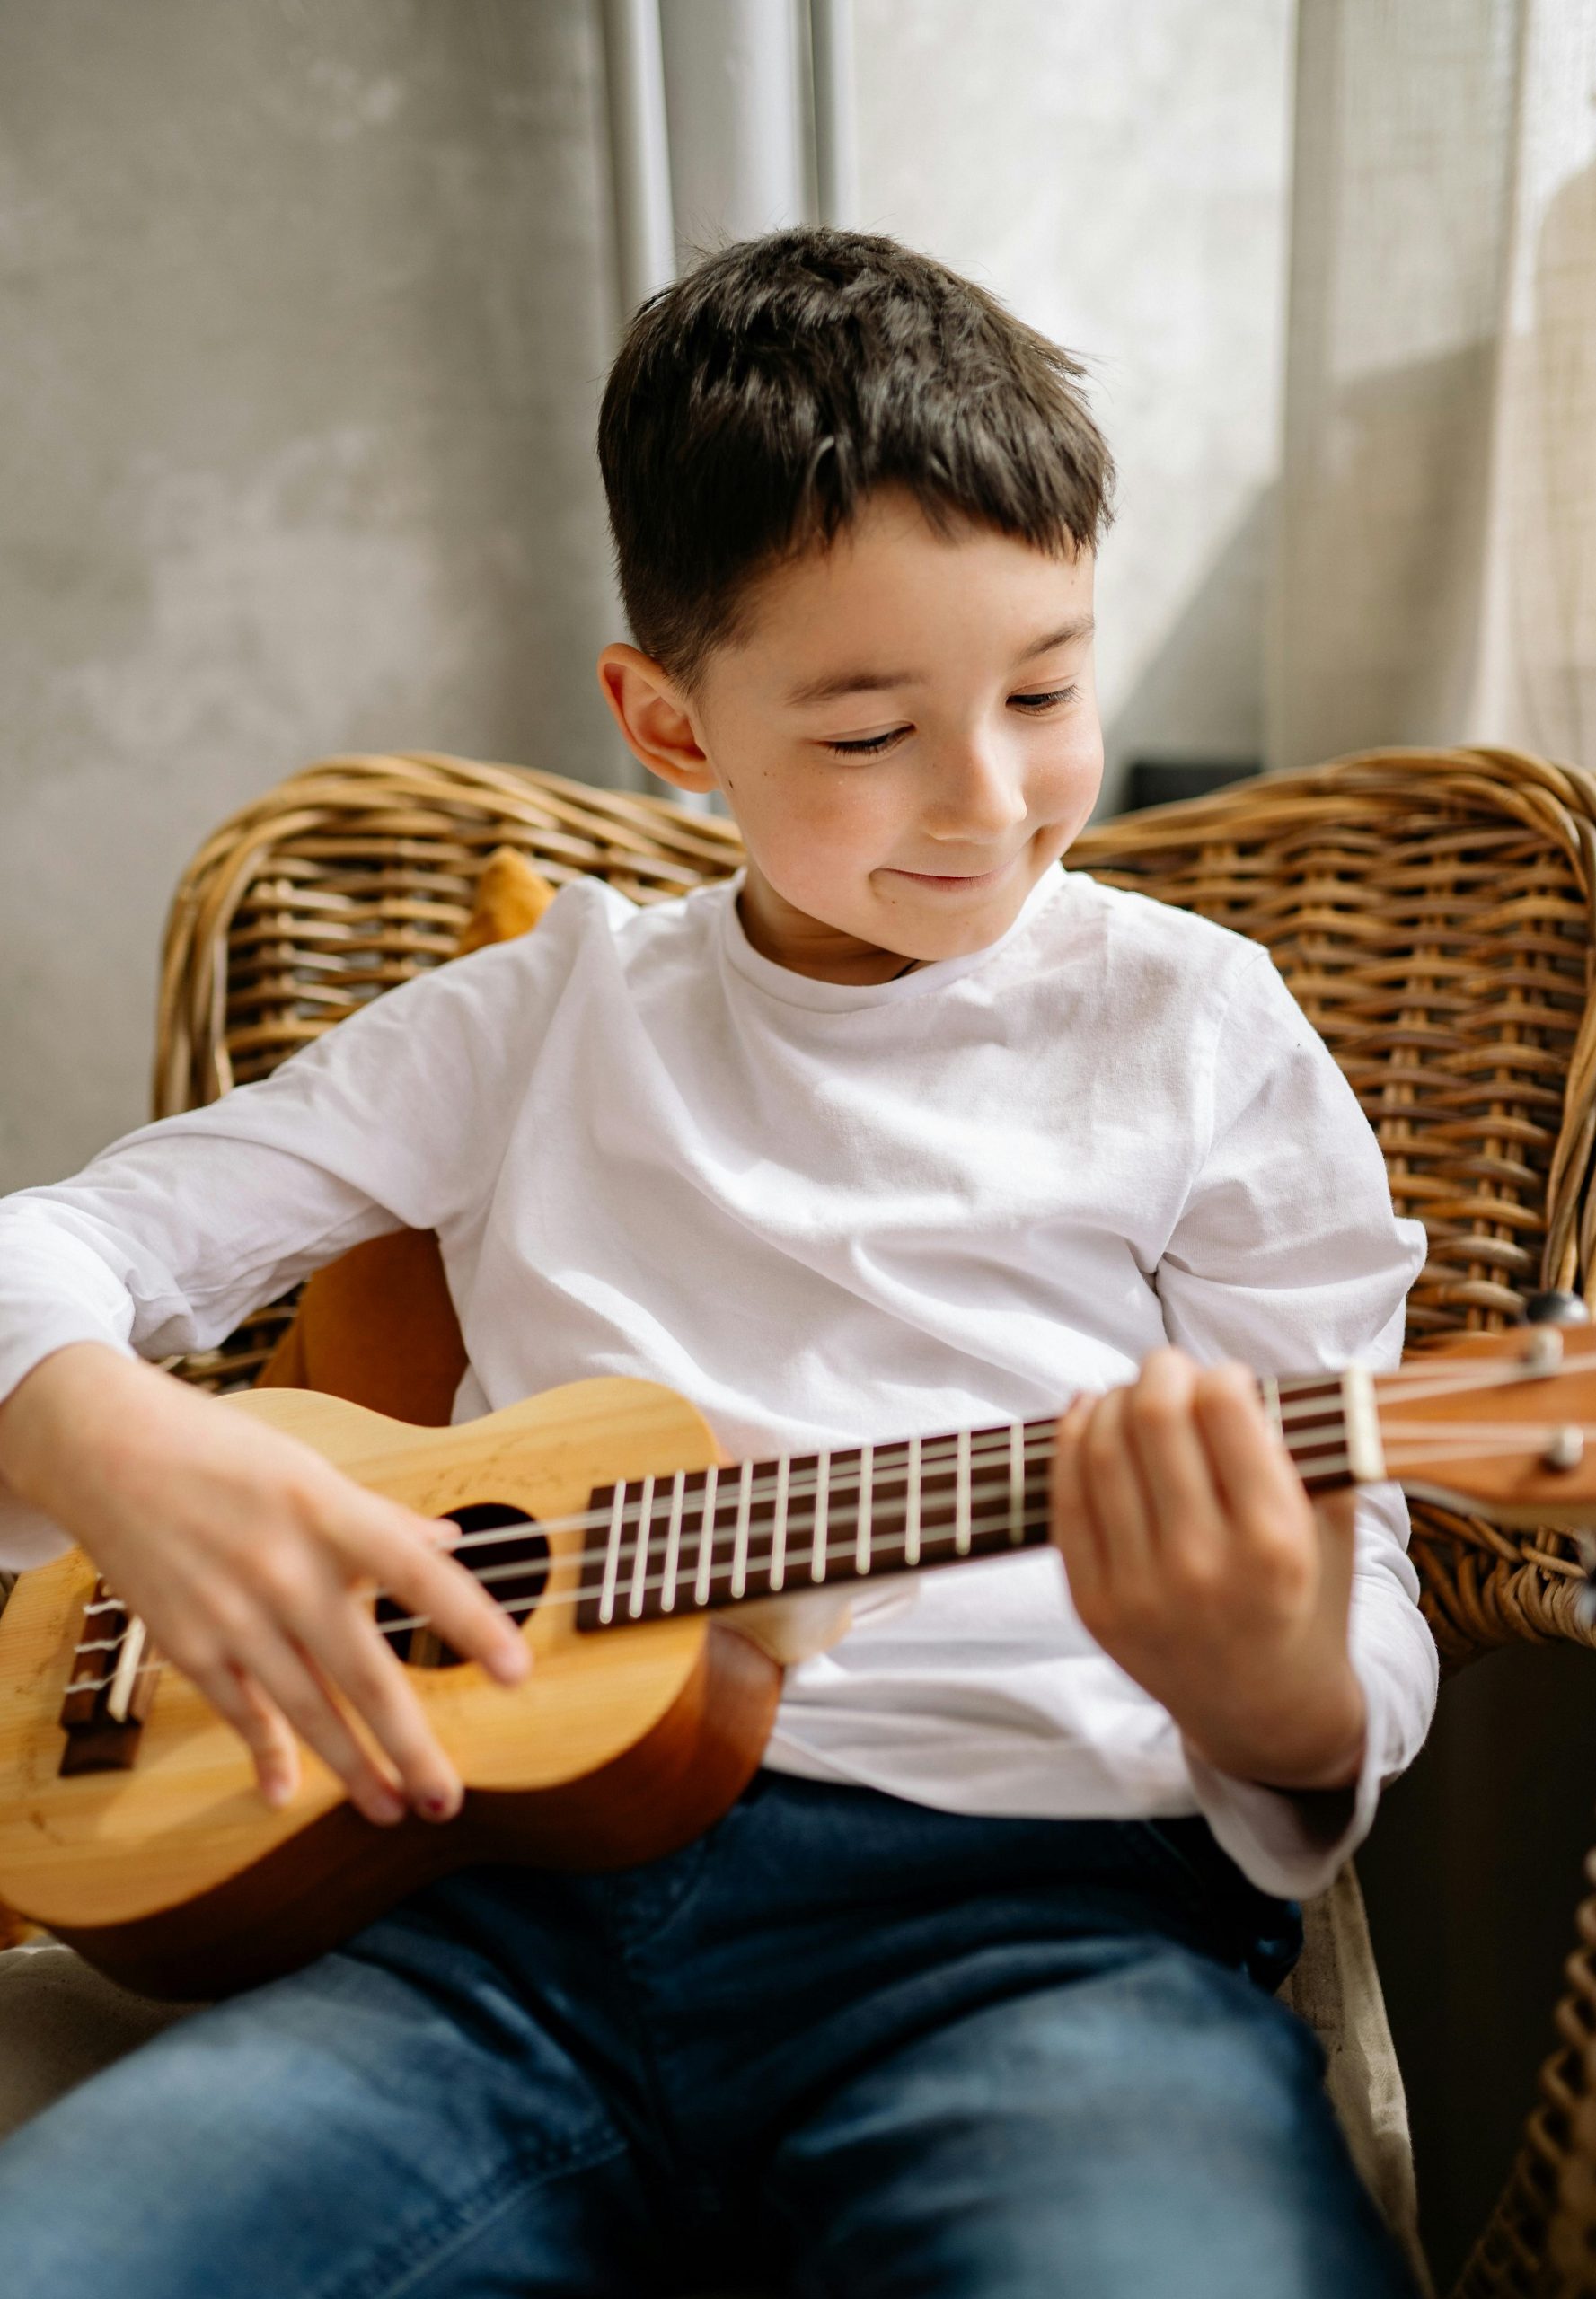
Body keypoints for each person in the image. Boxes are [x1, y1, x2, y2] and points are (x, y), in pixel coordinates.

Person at [0, 228, 1434, 2296]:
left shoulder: (1203, 1035)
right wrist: (111, 1439)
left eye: (1045, 687)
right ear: (667, 721)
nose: (992, 798)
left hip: (1038, 1933)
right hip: (479, 1934)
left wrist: (1274, 1688)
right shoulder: (541, 1018)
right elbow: (57, 1242)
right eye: (867, 731)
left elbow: (1363, 1590)